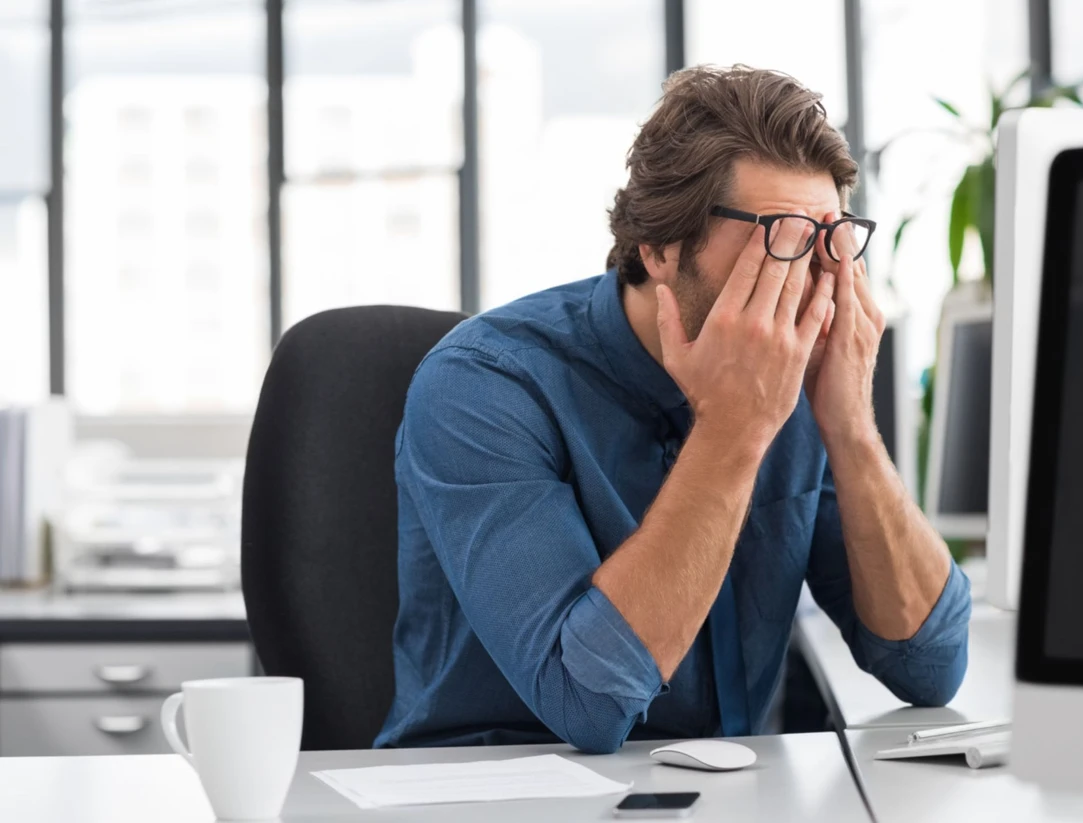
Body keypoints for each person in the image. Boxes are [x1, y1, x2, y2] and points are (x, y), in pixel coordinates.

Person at [375, 65, 971, 754]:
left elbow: (930, 665)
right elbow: (588, 704)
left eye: (829, 241)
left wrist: (851, 427)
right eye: (781, 237)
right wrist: (735, 427)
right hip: (496, 792)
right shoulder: (483, 385)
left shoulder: (804, 380)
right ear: (660, 247)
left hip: (731, 794)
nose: (809, 281)